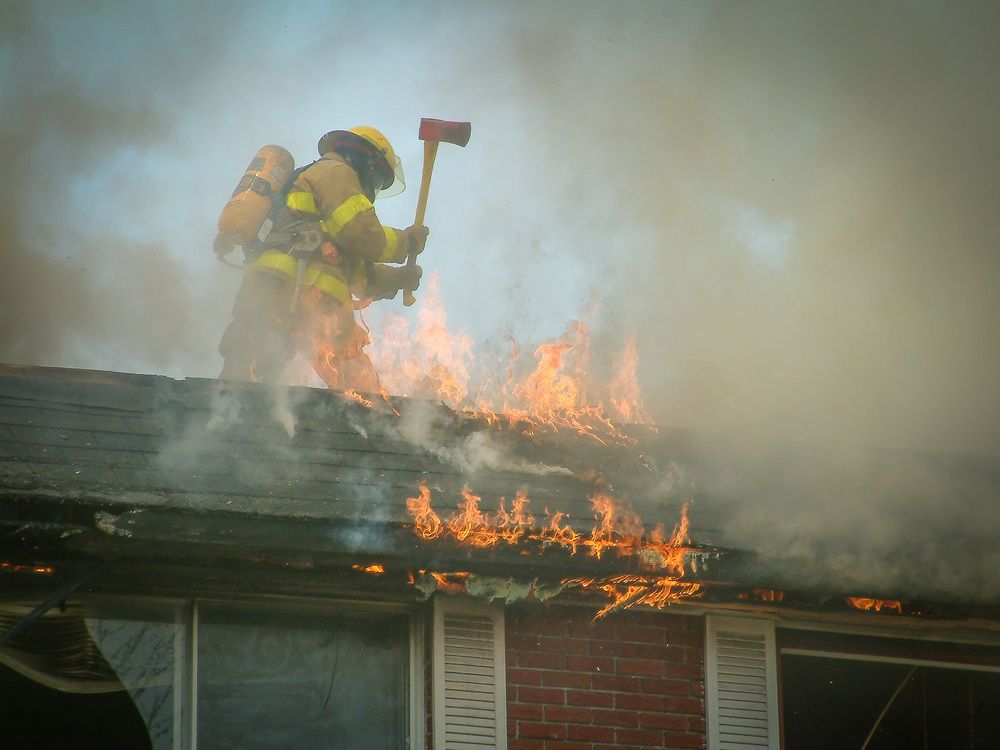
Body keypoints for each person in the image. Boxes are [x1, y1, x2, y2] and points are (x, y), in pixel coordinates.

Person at [217, 126, 427, 391]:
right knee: (361, 394)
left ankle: (225, 423)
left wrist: (397, 278)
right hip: (308, 296)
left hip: (275, 289)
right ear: (366, 162)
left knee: (247, 381)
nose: (371, 189)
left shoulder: (318, 200)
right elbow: (363, 234)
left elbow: (354, 270)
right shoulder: (335, 172)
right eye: (375, 180)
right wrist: (407, 243)